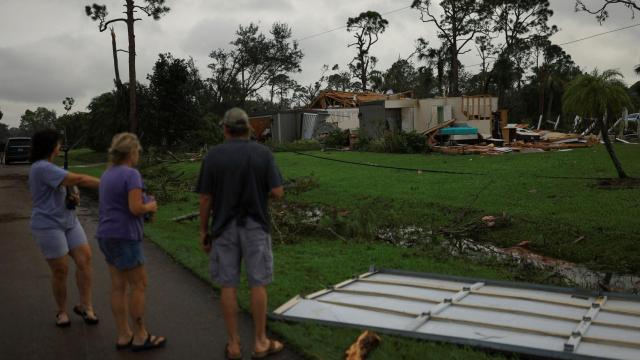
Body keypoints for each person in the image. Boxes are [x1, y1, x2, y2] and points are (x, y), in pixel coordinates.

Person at [196, 108, 285, 360]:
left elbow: (205, 199)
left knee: (228, 284)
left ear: (225, 129)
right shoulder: (262, 154)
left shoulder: (213, 156)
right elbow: (278, 192)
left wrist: (204, 230)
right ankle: (260, 342)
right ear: (249, 129)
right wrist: (259, 193)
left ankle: (234, 345)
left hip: (223, 229)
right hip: (256, 226)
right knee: (258, 283)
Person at [96, 133, 166, 352]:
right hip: (125, 236)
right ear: (132, 152)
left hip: (106, 235)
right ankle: (140, 335)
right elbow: (135, 208)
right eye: (138, 152)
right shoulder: (131, 174)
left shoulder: (107, 174)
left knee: (117, 287)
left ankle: (124, 334)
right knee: (139, 285)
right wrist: (151, 206)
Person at [28, 129, 100, 327]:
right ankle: (61, 312)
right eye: (58, 143)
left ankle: (86, 306)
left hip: (69, 221)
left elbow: (70, 186)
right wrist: (107, 184)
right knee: (61, 270)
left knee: (84, 259)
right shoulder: (41, 167)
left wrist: (74, 196)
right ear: (51, 146)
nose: (60, 147)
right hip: (48, 225)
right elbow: (79, 179)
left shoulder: (50, 166)